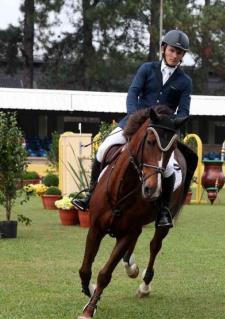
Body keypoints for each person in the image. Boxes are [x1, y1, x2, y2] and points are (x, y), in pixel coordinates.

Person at [72, 29, 192, 229]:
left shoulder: (184, 81)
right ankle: (91, 194)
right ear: (164, 49)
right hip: (134, 124)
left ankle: (163, 210)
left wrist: (170, 125)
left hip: (161, 133)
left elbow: (184, 110)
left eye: (179, 53)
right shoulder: (147, 69)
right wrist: (135, 118)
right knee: (103, 150)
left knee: (169, 168)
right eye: (172, 50)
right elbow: (133, 93)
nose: (175, 55)